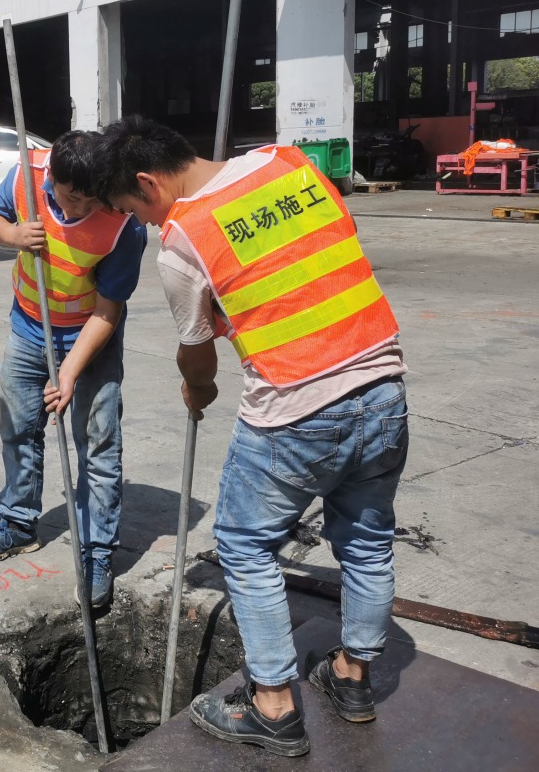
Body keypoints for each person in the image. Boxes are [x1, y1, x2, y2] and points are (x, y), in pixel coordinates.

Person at [96, 118, 409, 758]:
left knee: (243, 544)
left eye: (135, 210)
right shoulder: (288, 162)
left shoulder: (183, 242)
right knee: (368, 538)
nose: (147, 224)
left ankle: (271, 706)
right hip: (383, 384)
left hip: (297, 407)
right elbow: (311, 255)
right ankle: (353, 677)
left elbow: (197, 351)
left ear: (147, 183)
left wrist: (198, 391)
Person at [0, 130, 146, 613]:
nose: (79, 210)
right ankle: (18, 523)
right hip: (29, 324)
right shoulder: (27, 175)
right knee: (19, 427)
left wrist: (68, 371)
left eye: (91, 201)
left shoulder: (124, 225)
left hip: (90, 334)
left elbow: (108, 312)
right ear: (54, 178)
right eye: (70, 198)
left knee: (98, 443)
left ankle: (97, 553)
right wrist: (11, 235)